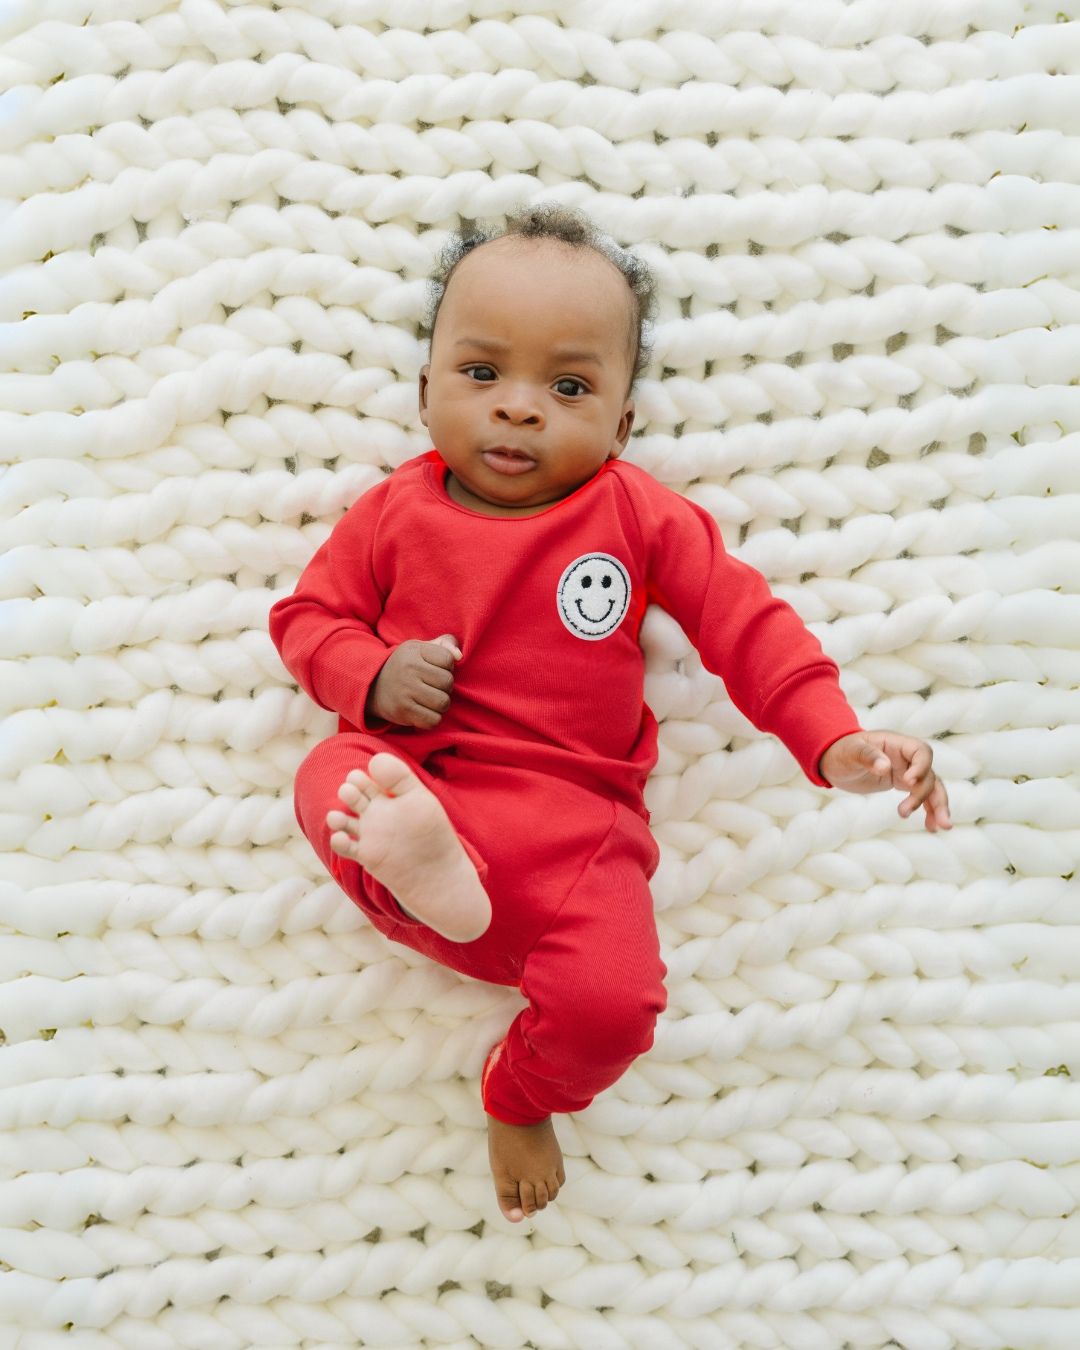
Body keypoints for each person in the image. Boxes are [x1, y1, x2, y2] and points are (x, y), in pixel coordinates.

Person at [268, 203, 953, 1225]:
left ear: (622, 424)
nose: (519, 410)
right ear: (425, 394)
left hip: (577, 832)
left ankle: (519, 1091)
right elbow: (305, 619)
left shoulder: (634, 515)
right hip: (422, 781)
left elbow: (745, 623)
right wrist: (369, 673)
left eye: (569, 387)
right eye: (482, 373)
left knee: (618, 1007)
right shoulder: (394, 513)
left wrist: (834, 737)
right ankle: (435, 876)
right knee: (333, 781)